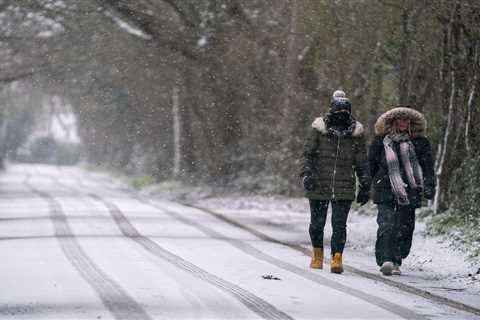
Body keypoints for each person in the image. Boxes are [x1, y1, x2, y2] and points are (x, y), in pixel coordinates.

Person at [300, 90, 370, 273]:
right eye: (338, 111)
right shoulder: (318, 129)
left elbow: (362, 161)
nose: (341, 115)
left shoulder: (356, 134)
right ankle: (317, 253)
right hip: (318, 181)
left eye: (345, 112)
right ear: (331, 111)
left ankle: (336, 257)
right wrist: (307, 174)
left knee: (339, 224)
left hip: (345, 184)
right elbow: (308, 154)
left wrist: (365, 183)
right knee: (317, 223)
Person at [369, 106, 435, 276]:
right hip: (384, 189)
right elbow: (370, 165)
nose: (403, 123)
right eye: (400, 119)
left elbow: (428, 167)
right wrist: (364, 186)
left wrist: (429, 185)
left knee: (405, 228)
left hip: (411, 191)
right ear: (393, 122)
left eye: (406, 120)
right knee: (387, 225)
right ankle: (386, 260)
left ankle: (397, 259)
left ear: (411, 122)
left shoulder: (420, 142)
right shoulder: (380, 142)